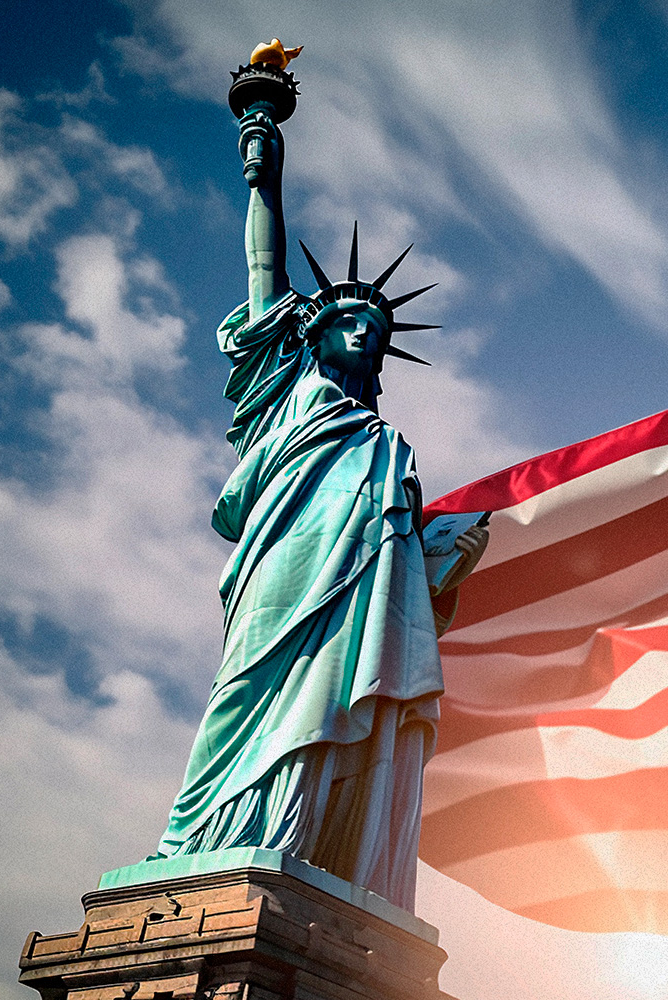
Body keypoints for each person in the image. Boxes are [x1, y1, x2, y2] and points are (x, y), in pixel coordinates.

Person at [148, 98, 481, 911]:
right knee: (246, 694)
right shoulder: (287, 391)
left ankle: (306, 847)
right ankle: (200, 844)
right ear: (315, 334)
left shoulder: (389, 446)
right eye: (348, 319)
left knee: (342, 708)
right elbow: (267, 276)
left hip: (359, 600)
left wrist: (441, 568)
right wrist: (263, 163)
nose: (364, 331)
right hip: (283, 570)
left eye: (375, 323)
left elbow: (407, 592)